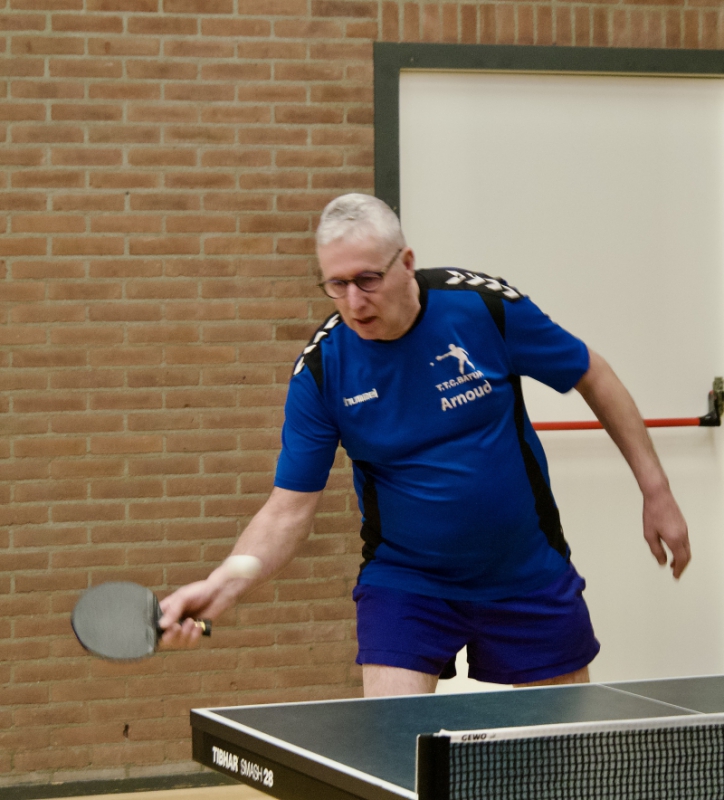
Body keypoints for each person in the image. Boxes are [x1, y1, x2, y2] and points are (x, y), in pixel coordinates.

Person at [159, 193, 690, 697]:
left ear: (407, 262)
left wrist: (656, 490)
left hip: (527, 572)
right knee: (395, 751)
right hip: (406, 584)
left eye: (367, 279)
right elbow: (287, 511)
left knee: (559, 751)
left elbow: (592, 373)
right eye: (336, 284)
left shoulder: (483, 309)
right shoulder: (323, 371)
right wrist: (222, 583)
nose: (353, 301)